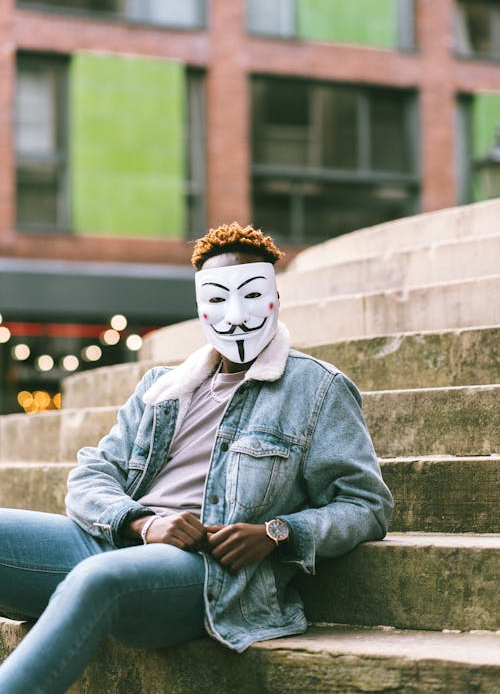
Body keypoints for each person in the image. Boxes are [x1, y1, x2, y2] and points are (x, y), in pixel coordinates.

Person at [0, 223, 393, 693]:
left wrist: (278, 532)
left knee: (96, 579)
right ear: (200, 307)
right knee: (90, 568)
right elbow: (92, 473)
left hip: (208, 574)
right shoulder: (162, 387)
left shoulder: (317, 389)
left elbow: (366, 505)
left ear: (274, 298)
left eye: (251, 295)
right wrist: (141, 523)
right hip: (120, 540)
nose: (236, 314)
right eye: (218, 299)